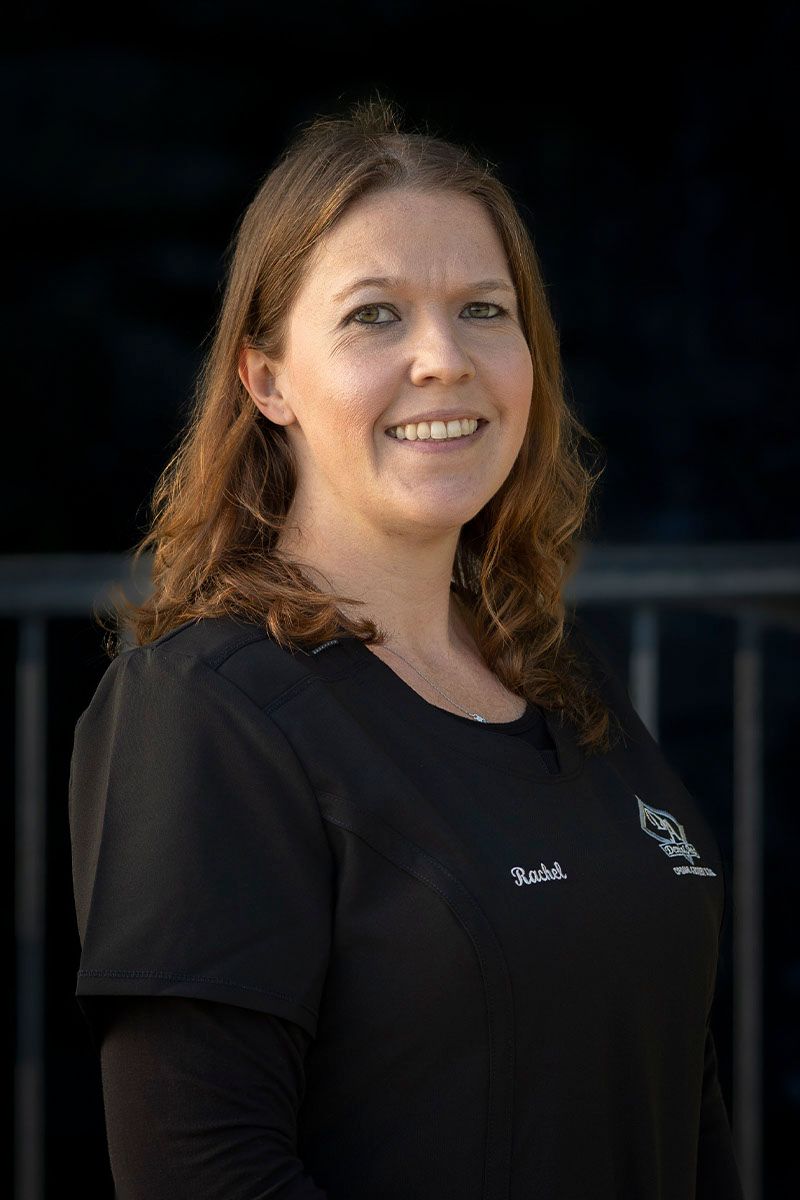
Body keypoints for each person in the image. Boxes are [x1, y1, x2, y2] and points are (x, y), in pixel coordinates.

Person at [69, 94, 745, 1199]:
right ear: (265, 380)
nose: (442, 359)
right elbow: (206, 1172)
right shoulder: (203, 711)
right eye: (374, 315)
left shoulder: (561, 682)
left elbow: (679, 1100)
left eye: (483, 310)